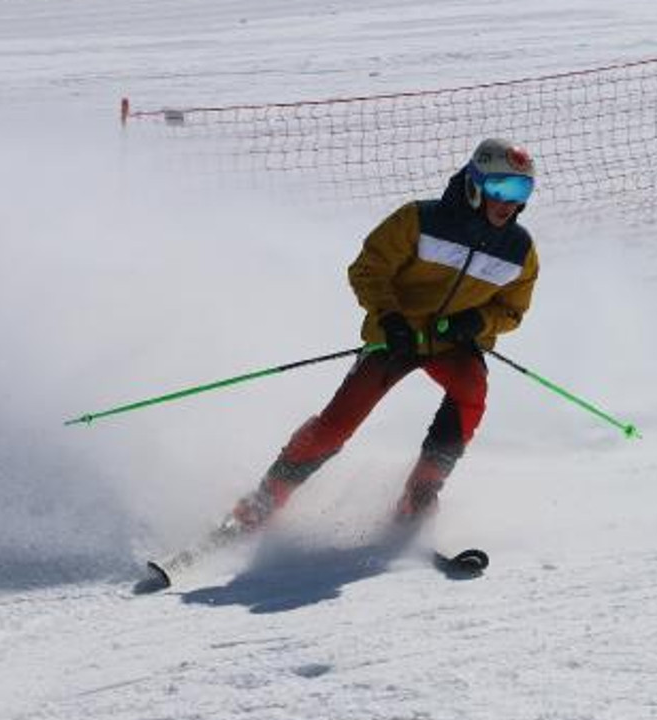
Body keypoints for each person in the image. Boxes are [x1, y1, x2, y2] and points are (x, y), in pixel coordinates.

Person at [225, 137, 539, 535]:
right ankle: (266, 497)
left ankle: (420, 494)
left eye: (521, 191)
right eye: (501, 188)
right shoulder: (418, 220)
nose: (508, 203)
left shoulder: (519, 250)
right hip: (398, 338)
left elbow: (512, 310)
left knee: (471, 391)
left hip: (451, 343)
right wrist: (391, 319)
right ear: (476, 183)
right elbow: (368, 269)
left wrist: (476, 323)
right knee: (337, 424)